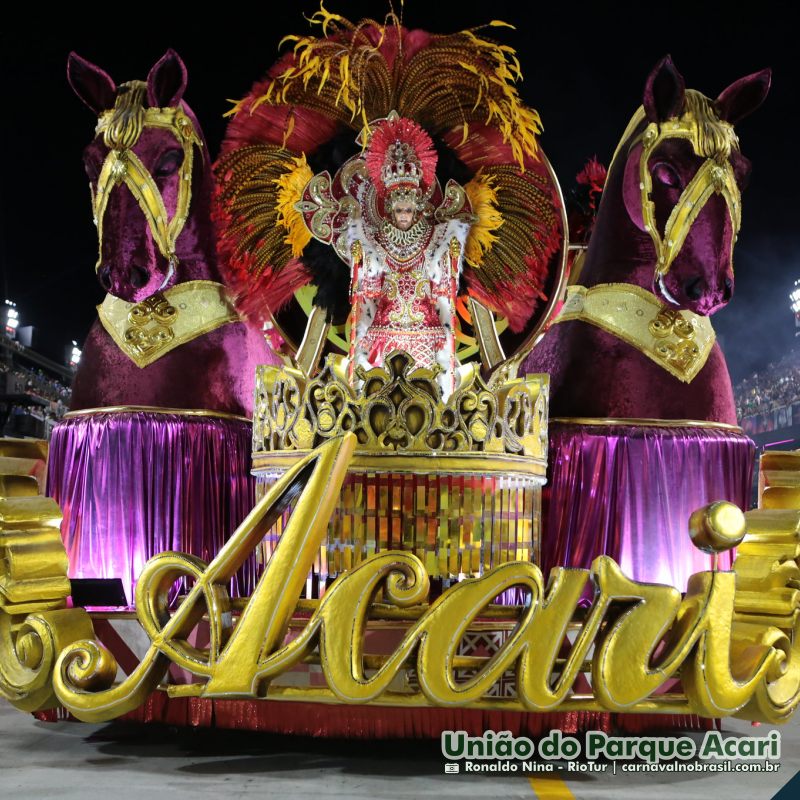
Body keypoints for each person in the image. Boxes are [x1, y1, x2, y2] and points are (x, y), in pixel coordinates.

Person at [344, 114, 471, 400]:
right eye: (399, 210)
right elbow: (372, 293)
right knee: (383, 396)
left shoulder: (434, 241)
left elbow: (441, 292)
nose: (403, 216)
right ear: (388, 209)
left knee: (425, 396)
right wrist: (362, 266)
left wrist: (449, 263)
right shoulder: (375, 242)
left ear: (417, 209)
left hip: (425, 332)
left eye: (408, 211)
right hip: (385, 332)